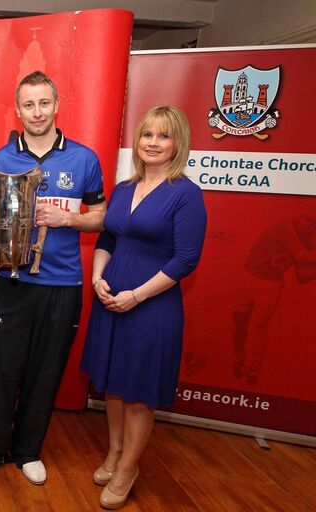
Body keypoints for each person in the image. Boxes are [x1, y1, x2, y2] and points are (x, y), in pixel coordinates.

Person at [0, 71, 107, 485]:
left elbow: (100, 218)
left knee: (46, 372)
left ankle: (27, 451)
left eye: (44, 103)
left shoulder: (84, 159)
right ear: (18, 108)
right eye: (29, 104)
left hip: (62, 285)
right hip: (11, 282)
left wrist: (68, 217)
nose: (37, 112)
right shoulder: (2, 160)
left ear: (57, 105)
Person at [80, 105, 206, 509]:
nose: (153, 143)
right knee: (114, 388)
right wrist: (100, 277)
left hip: (151, 306)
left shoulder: (185, 193)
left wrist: (137, 295)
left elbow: (185, 260)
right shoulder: (123, 188)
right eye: (147, 134)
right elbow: (109, 240)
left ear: (177, 143)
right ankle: (114, 454)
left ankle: (129, 467)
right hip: (111, 296)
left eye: (163, 136)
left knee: (137, 395)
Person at [231, 214, 316, 385]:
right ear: (299, 217)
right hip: (248, 276)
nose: (309, 225)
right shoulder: (284, 226)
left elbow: (302, 276)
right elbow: (300, 256)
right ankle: (240, 355)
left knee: (259, 325)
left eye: (313, 224)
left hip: (272, 284)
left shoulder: (307, 242)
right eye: (307, 219)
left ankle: (253, 367)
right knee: (240, 324)